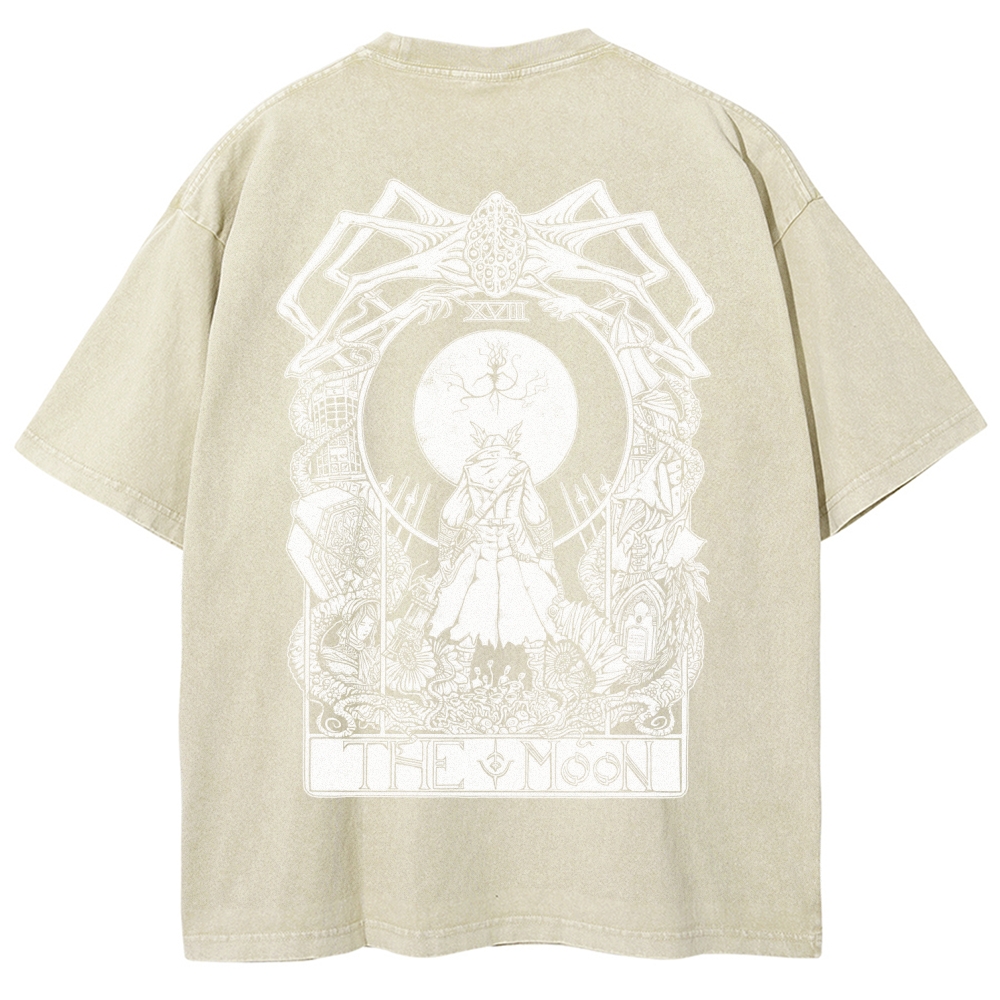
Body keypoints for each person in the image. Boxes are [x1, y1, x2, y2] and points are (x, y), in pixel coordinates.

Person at [429, 423, 561, 681]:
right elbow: (535, 512)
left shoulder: (471, 471)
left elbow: (452, 512)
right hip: (515, 544)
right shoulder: (519, 469)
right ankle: (539, 681)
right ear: (508, 447)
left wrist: (445, 554)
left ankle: (459, 679)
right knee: (533, 609)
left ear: (482, 448)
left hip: (481, 545)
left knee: (468, 607)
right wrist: (546, 554)